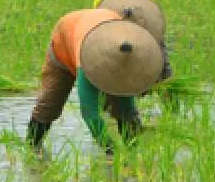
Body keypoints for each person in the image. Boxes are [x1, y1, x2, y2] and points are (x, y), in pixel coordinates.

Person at [26, 8, 163, 152]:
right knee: (51, 102)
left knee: (122, 105)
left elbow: (126, 104)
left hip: (97, 24)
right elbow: (89, 112)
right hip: (64, 44)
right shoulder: (88, 60)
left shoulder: (126, 44)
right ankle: (32, 147)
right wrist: (110, 150)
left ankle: (133, 147)